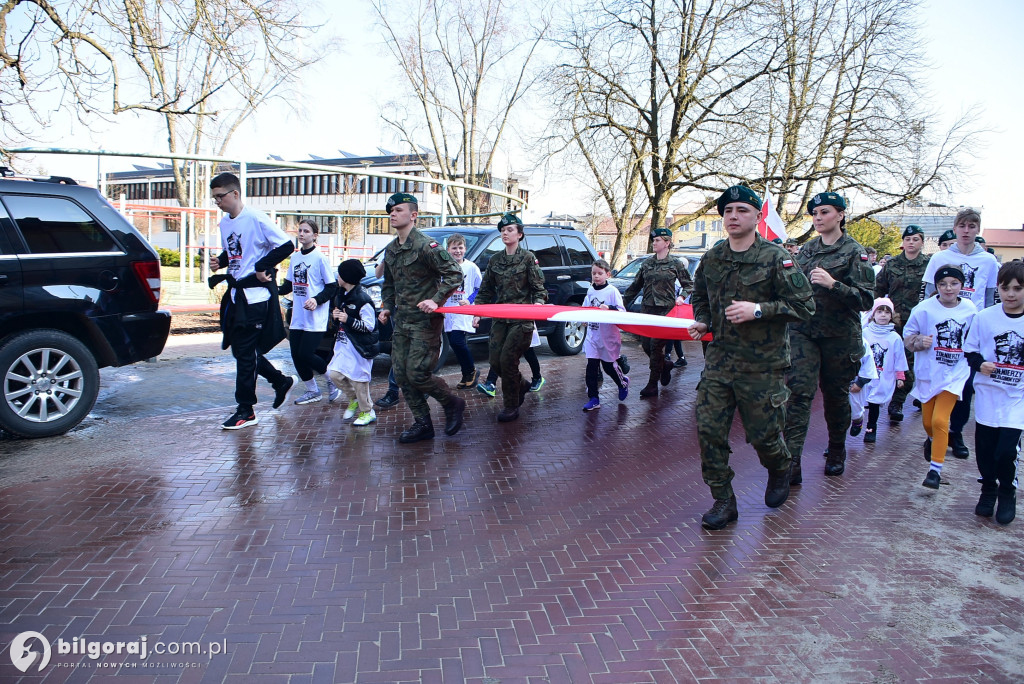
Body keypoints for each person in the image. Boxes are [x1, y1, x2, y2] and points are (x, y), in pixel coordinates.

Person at [688, 185, 814, 530]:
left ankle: (779, 465)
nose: (733, 216)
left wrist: (759, 310)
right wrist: (703, 320)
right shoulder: (713, 258)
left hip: (762, 366)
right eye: (728, 211)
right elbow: (700, 294)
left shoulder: (775, 258)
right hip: (719, 362)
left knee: (763, 435)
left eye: (742, 210)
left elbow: (805, 306)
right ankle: (724, 500)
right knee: (709, 430)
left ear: (758, 216)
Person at [784, 191, 874, 481]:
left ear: (841, 215)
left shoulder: (854, 252)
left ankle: (837, 448)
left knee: (835, 397)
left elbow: (866, 301)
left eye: (825, 212)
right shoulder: (807, 249)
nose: (819, 218)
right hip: (804, 332)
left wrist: (834, 284)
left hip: (839, 337)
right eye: (815, 213)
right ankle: (792, 460)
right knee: (798, 394)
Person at [207, 172, 296, 430]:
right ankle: (280, 381)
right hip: (236, 296)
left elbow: (285, 245)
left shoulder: (256, 217)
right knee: (241, 350)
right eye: (214, 198)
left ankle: (246, 409)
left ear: (235, 194)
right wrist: (220, 261)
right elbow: (236, 251)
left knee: (245, 353)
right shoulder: (225, 223)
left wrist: (263, 265)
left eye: (220, 197)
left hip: (255, 296)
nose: (218, 202)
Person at [379, 192, 466, 443]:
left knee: (417, 373)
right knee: (402, 374)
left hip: (425, 322)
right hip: (402, 320)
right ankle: (423, 423)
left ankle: (452, 403)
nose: (393, 214)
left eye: (398, 210)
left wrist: (436, 299)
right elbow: (389, 282)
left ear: (413, 215)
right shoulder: (392, 249)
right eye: (391, 211)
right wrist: (387, 306)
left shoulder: (427, 246)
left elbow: (454, 273)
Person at [922, 209, 1000, 459]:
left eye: (972, 226)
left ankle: (955, 431)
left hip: (971, 328)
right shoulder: (940, 257)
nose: (967, 231)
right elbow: (928, 294)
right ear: (955, 228)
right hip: (943, 328)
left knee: (965, 386)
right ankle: (934, 432)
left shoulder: (988, 261)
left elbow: (989, 297)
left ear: (978, 230)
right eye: (962, 225)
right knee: (937, 382)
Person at [904, 266, 977, 489]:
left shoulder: (970, 310)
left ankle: (934, 471)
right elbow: (908, 336)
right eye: (943, 284)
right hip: (929, 373)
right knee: (928, 423)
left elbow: (976, 339)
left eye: (954, 283)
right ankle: (934, 440)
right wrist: (919, 341)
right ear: (936, 286)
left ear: (961, 286)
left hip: (955, 373)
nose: (948, 288)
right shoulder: (924, 309)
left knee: (939, 420)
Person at [472, 213, 547, 422]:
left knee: (508, 360)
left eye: (510, 230)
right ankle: (521, 384)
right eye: (503, 230)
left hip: (522, 319)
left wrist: (538, 305)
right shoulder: (495, 259)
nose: (505, 233)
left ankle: (511, 405)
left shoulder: (528, 258)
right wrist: (477, 312)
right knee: (495, 361)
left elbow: (539, 289)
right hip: (500, 317)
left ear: (520, 234)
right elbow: (485, 290)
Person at [964, 261, 1024, 524]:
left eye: (1018, 288)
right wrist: (980, 364)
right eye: (1005, 288)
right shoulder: (984, 317)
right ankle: (988, 488)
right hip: (989, 394)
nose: (1010, 294)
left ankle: (1007, 490)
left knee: (1006, 451)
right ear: (997, 287)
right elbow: (971, 350)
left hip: (1017, 397)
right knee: (986, 450)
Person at [621, 227, 693, 398]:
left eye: (658, 240)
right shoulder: (646, 263)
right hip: (647, 310)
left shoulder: (676, 264)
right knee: (646, 345)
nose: (654, 243)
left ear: (667, 243)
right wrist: (620, 305)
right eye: (653, 240)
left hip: (665, 311)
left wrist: (682, 296)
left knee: (655, 347)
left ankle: (652, 385)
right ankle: (665, 364)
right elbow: (635, 287)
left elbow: (689, 284)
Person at [280, 219, 338, 405]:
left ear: (314, 235)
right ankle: (313, 390)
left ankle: (333, 382)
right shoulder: (295, 258)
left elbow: (332, 287)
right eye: (300, 230)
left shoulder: (320, 258)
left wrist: (316, 300)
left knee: (306, 354)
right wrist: (270, 286)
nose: (302, 234)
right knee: (296, 355)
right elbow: (288, 285)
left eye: (306, 231)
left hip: (315, 318)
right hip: (298, 317)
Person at [874, 225, 929, 422]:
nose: (911, 243)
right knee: (893, 361)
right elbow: (879, 289)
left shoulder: (929, 265)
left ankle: (900, 400)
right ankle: (891, 400)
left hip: (918, 323)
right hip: (894, 322)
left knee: (911, 363)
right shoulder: (892, 265)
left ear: (922, 242)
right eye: (908, 239)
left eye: (915, 239)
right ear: (903, 242)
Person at [327, 259, 379, 426]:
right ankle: (353, 399)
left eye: (340, 274)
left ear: (347, 277)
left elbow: (370, 326)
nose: (338, 277)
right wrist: (335, 319)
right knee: (333, 373)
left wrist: (348, 320)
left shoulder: (363, 300)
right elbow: (339, 322)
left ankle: (367, 411)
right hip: (343, 345)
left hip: (359, 347)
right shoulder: (340, 295)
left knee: (359, 380)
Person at [582, 259, 629, 411]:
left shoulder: (612, 291)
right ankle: (594, 398)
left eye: (600, 273)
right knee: (591, 367)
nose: (596, 276)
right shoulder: (590, 290)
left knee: (609, 367)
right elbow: (586, 307)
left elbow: (622, 311)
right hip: (593, 335)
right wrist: (582, 319)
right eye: (593, 273)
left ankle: (622, 383)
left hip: (608, 336)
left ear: (608, 274)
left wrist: (609, 307)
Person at [860, 298, 908, 443]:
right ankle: (856, 424)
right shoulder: (865, 333)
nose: (883, 315)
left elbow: (899, 357)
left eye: (887, 312)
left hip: (883, 376)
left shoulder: (895, 338)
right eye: (879, 311)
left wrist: (900, 376)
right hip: (864, 375)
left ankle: (871, 428)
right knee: (858, 402)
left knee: (875, 403)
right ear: (873, 314)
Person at [443, 233, 483, 390]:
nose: (457, 251)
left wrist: (470, 300)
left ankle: (471, 370)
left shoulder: (471, 267)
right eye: (454, 248)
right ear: (448, 249)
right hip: (447, 310)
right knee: (454, 343)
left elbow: (479, 288)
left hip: (463, 310)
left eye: (460, 248)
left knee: (457, 341)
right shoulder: (444, 267)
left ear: (465, 249)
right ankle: (467, 374)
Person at [848, 339, 878, 438]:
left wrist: (860, 382)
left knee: (855, 409)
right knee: (836, 413)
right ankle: (836, 443)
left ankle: (858, 420)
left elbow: (868, 364)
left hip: (855, 383)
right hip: (837, 382)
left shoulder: (861, 341)